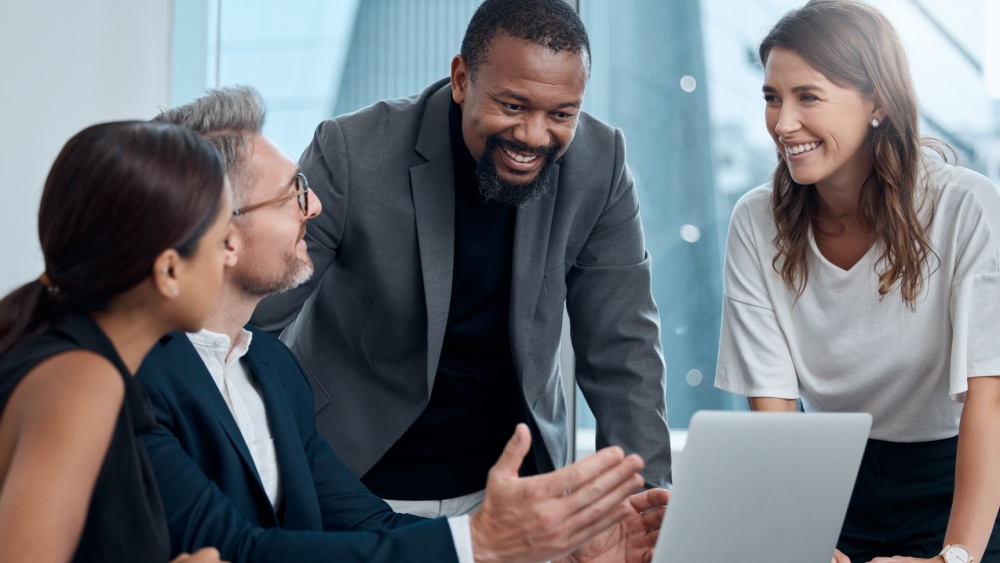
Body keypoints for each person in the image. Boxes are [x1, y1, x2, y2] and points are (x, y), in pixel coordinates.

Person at [137, 84, 669, 563]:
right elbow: (242, 550)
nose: (315, 205)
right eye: (289, 195)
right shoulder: (133, 384)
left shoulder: (273, 373)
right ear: (223, 238)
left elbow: (372, 526)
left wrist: (552, 549)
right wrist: (483, 541)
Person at [250, 0, 670, 515]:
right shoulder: (353, 150)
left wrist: (644, 504)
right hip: (351, 481)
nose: (535, 136)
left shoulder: (600, 165)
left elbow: (623, 347)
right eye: (513, 106)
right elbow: (254, 316)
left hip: (510, 491)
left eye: (562, 114)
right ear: (461, 79)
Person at [714, 1, 1000, 562]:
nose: (783, 123)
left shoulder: (968, 207)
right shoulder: (755, 221)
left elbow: (988, 402)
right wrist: (804, 535)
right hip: (828, 479)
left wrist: (956, 557)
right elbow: (774, 411)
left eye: (808, 97)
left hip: (960, 478)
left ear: (879, 103)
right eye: (772, 98)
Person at [0, 121, 231, 563]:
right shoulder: (82, 383)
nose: (230, 255)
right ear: (169, 271)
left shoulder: (69, 363)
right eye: (221, 241)